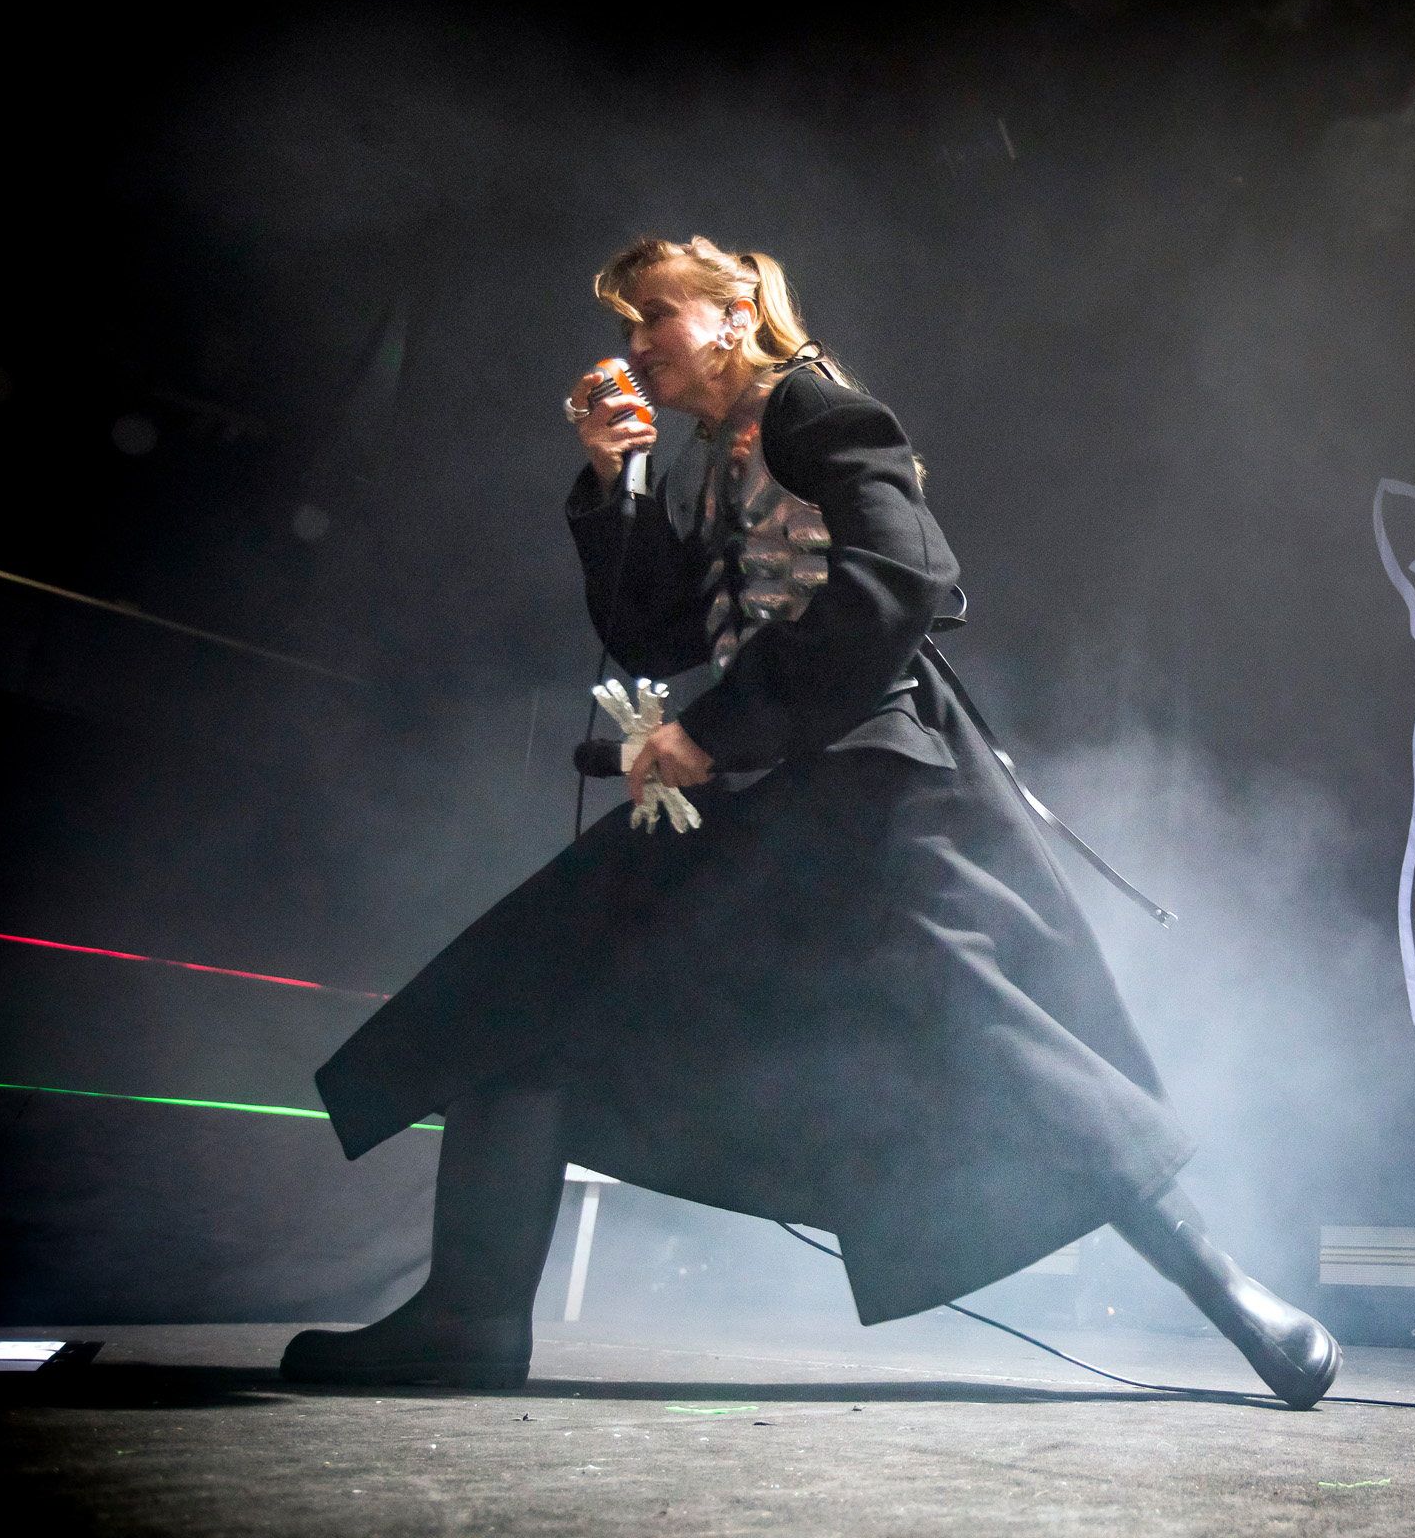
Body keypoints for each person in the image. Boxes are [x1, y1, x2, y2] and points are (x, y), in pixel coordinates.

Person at [280, 236, 1341, 1408]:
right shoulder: (708, 461)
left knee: (995, 1042)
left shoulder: (818, 411)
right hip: (763, 792)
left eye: (655, 316)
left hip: (870, 788)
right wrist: (615, 480)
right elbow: (653, 633)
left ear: (736, 313)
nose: (636, 344)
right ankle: (470, 1315)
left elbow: (906, 576)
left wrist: (714, 730)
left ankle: (1233, 1296)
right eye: (626, 325)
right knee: (533, 970)